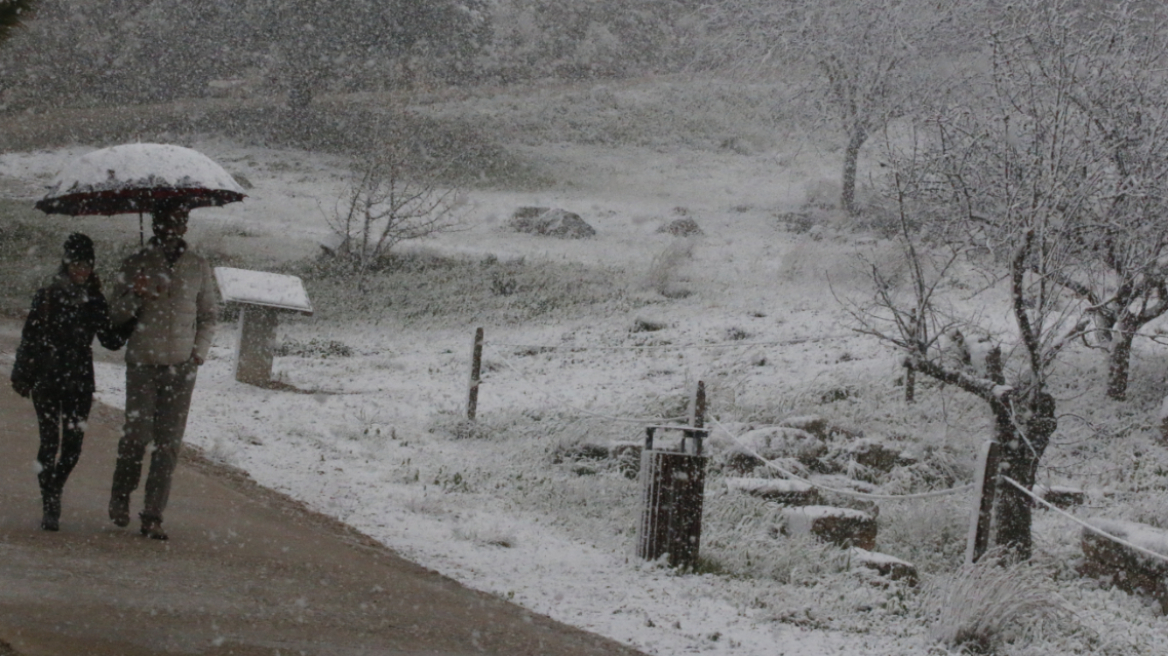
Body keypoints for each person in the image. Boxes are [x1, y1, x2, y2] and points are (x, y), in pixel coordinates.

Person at [107, 201, 217, 540]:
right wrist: (136, 295)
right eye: (167, 221)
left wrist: (197, 354)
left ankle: (153, 515)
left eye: (180, 221)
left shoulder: (197, 265)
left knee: (168, 445)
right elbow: (114, 315)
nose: (174, 227)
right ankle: (121, 494)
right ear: (155, 224)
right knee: (136, 438)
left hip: (181, 367)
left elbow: (209, 316)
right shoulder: (135, 262)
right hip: (143, 363)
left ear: (185, 226)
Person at [10, 233, 130, 531]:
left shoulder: (95, 300)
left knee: (73, 448)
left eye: (87, 264)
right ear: (66, 264)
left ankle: (55, 486)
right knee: (49, 443)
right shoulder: (47, 295)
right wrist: (22, 373)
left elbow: (111, 340)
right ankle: (50, 503)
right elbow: (29, 337)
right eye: (77, 263)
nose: (82, 270)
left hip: (79, 379)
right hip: (47, 377)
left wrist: (135, 313)